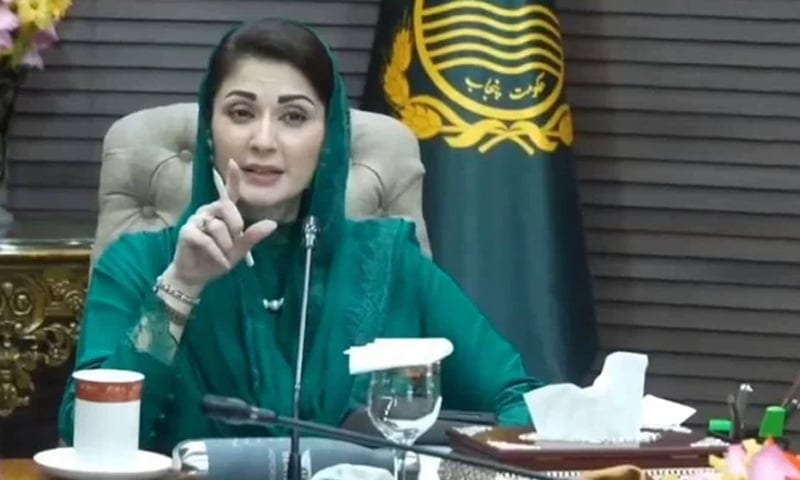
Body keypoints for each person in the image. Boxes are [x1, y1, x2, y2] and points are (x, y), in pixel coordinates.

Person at [58, 18, 543, 455]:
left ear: (328, 136)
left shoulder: (390, 262)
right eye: (241, 113)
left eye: (294, 117)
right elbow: (86, 436)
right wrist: (180, 288)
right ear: (209, 130)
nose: (263, 141)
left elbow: (519, 403)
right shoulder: (139, 264)